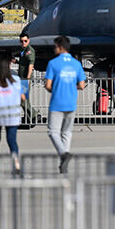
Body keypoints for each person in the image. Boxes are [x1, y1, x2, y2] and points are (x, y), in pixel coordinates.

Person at [44, 35, 86, 173]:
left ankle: (63, 154)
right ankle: (64, 162)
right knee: (66, 132)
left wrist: (56, 88)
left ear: (60, 47)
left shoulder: (53, 63)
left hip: (57, 102)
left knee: (53, 132)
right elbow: (82, 85)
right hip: (71, 102)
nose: (54, 49)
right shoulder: (76, 64)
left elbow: (48, 85)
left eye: (55, 47)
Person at [14, 33, 36, 127]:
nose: (23, 43)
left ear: (28, 41)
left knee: (23, 100)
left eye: (25, 41)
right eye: (22, 41)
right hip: (21, 78)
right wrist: (16, 61)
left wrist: (27, 78)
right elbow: (24, 63)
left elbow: (31, 65)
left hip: (24, 79)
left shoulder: (29, 51)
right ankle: (30, 118)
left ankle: (32, 117)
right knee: (23, 100)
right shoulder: (23, 51)